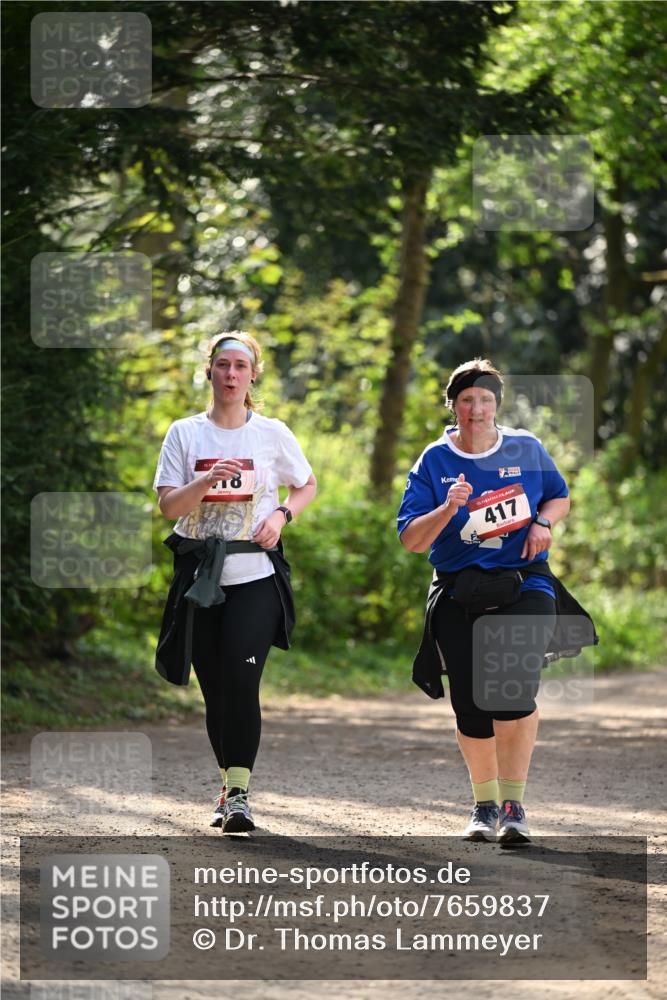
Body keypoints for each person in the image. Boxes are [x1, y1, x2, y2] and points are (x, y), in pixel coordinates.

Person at [397, 358, 595, 846]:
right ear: (453, 405)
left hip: (524, 582)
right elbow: (412, 541)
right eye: (467, 400)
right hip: (457, 587)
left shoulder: (526, 447)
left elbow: (559, 497)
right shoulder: (434, 461)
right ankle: (484, 805)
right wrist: (448, 508)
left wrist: (542, 523)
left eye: (486, 399)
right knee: (469, 704)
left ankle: (513, 805)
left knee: (510, 690)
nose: (477, 409)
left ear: (496, 405)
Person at [153, 331, 316, 833]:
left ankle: (240, 794)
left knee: (243, 680)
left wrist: (283, 515)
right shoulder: (185, 433)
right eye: (222, 365)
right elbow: (168, 507)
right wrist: (204, 482)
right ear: (210, 372)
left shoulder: (271, 432)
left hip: (254, 577)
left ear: (252, 376)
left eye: (240, 367)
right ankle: (227, 783)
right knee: (217, 691)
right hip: (200, 578)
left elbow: (306, 483)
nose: (230, 375)